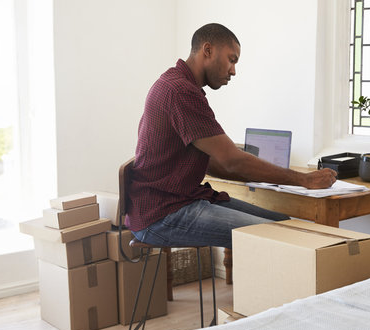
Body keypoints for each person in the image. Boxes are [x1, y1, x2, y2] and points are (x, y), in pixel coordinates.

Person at [126, 23, 336, 249]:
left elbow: (219, 164)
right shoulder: (180, 91)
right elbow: (231, 161)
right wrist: (304, 180)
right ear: (208, 50)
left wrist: (261, 173)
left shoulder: (179, 84)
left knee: (284, 225)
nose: (233, 71)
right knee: (282, 238)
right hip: (161, 214)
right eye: (231, 60)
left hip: (178, 200)